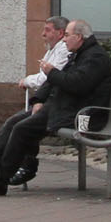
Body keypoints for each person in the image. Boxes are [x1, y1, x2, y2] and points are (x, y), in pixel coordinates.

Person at [0, 20, 111, 196]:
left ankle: (0, 178)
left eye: (66, 35)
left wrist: (52, 72)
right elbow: (53, 82)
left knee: (23, 129)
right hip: (65, 107)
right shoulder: (80, 54)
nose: (64, 40)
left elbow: (78, 85)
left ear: (78, 37)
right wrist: (38, 100)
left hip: (82, 115)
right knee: (14, 121)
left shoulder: (95, 57)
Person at [12, 16, 72, 184]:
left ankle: (21, 167)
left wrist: (28, 82)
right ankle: (0, 165)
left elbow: (51, 78)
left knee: (23, 126)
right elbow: (47, 77)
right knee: (17, 123)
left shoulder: (64, 52)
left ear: (60, 33)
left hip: (58, 106)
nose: (42, 34)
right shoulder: (52, 49)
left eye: (47, 30)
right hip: (49, 101)